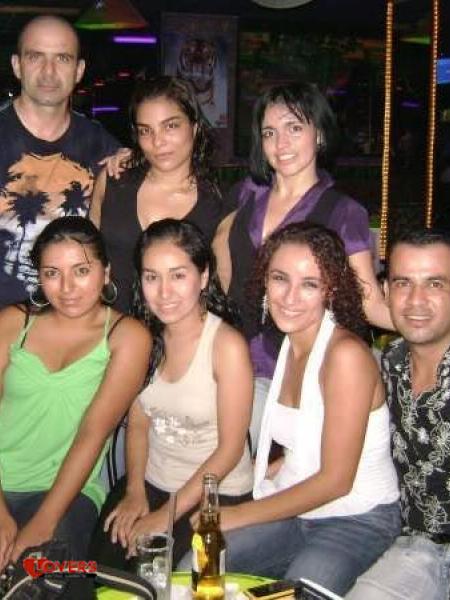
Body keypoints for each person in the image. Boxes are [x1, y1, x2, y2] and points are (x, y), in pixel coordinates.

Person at [211, 222, 400, 596]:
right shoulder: (291, 343)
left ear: (330, 290)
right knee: (200, 562)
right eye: (280, 278)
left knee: (294, 594)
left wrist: (234, 514)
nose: (290, 297)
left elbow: (336, 480)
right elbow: (307, 442)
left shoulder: (345, 356)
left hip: (356, 518)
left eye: (309, 284)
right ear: (265, 280)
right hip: (301, 508)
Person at [214, 82, 393, 451]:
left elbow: (368, 300)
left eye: (294, 128)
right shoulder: (246, 195)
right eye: (269, 132)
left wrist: (432, 324)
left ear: (320, 134)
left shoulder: (343, 211)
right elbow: (221, 266)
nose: (281, 143)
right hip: (233, 358)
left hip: (301, 369)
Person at [90, 219, 253, 568]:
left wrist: (165, 515)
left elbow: (230, 451)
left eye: (178, 275)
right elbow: (138, 425)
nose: (164, 292)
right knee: (98, 573)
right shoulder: (143, 337)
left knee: (159, 577)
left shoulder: (226, 346)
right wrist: (134, 491)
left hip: (215, 494)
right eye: (152, 277)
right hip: (150, 482)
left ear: (203, 276)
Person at [0, 217, 150, 591]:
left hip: (65, 491)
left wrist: (44, 521)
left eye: (81, 271)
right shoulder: (13, 323)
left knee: (44, 578)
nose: (67, 288)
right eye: (52, 273)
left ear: (106, 272)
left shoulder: (126, 336)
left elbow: (92, 435)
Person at [347, 229, 450, 600]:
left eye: (435, 284)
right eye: (404, 283)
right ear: (386, 292)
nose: (416, 300)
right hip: (405, 545)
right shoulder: (389, 363)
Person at [0, 15, 121, 308]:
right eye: (36, 56)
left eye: (62, 58)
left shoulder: (101, 145)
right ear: (17, 65)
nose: (49, 71)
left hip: (77, 320)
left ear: (79, 70)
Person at [89, 76, 224, 314]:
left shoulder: (216, 203)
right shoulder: (113, 182)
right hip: (110, 326)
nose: (158, 141)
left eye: (170, 126)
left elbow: (220, 286)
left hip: (178, 332)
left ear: (194, 127)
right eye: (146, 130)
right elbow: (87, 258)